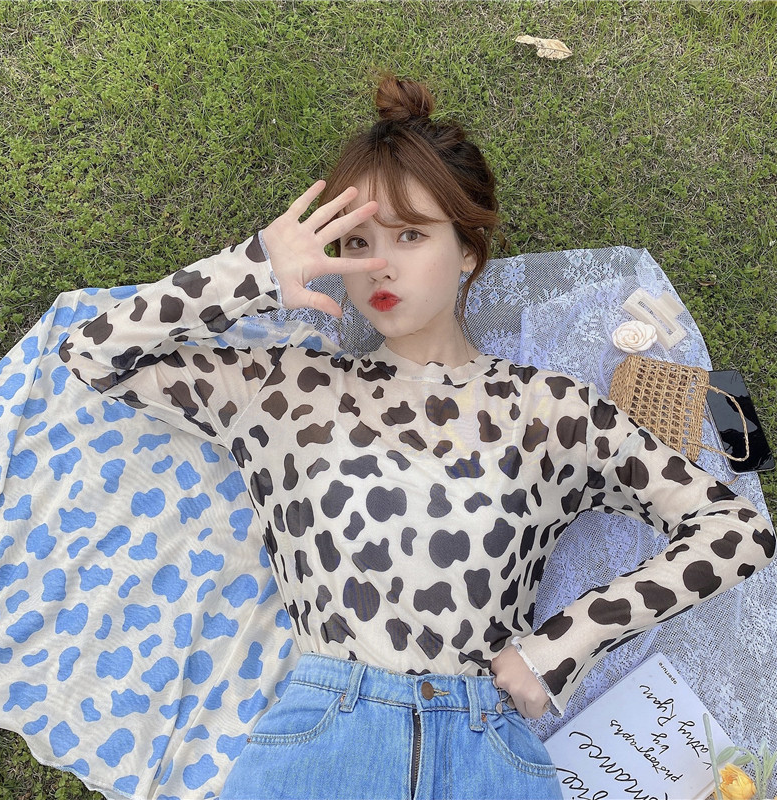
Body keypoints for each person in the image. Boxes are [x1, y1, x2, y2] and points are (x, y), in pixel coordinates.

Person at [58, 74, 775, 800]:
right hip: (322, 745)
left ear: (467, 250)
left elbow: (738, 529)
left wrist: (567, 643)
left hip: (487, 751)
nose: (379, 264)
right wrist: (255, 269)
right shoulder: (284, 391)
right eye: (356, 242)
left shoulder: (548, 410)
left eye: (410, 234)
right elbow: (93, 353)